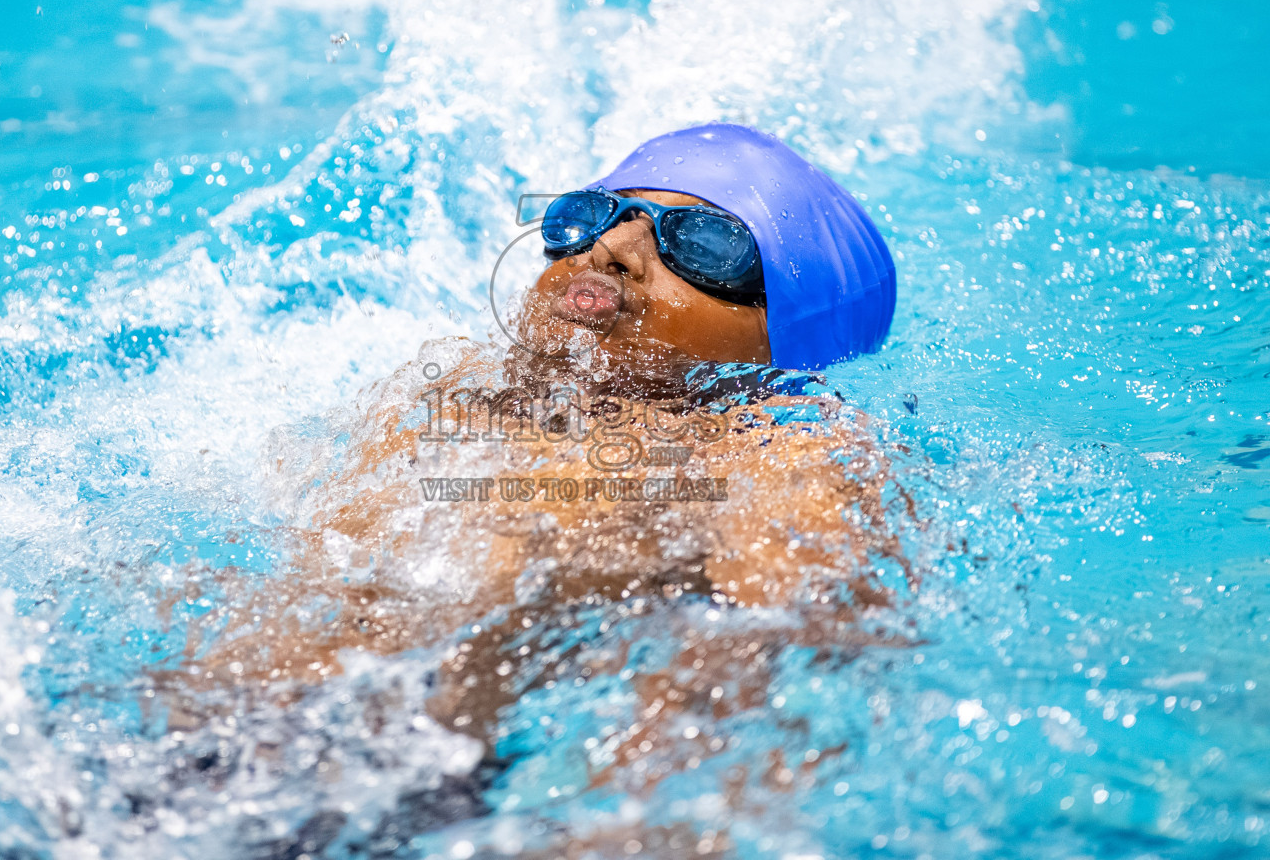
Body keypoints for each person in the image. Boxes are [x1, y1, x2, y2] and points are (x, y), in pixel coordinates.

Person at [177, 123, 904, 765]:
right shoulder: (451, 392)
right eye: (588, 219)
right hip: (229, 724)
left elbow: (774, 648)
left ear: (789, 338)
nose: (613, 249)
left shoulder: (779, 451)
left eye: (704, 244)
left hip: (444, 776)